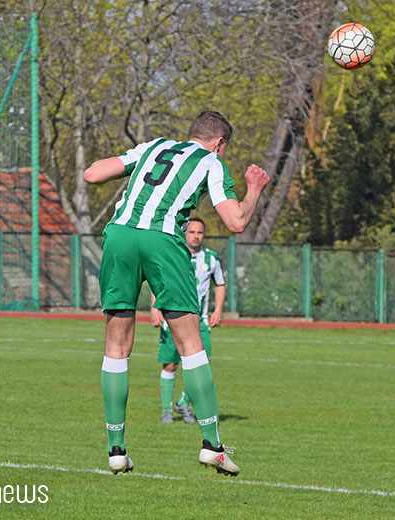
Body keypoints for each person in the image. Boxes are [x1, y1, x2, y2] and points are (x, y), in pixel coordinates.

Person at [83, 110, 269, 477]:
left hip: (119, 234)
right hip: (163, 239)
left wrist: (130, 169)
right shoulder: (211, 163)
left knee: (116, 347)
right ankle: (212, 446)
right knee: (191, 345)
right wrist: (254, 190)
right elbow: (236, 221)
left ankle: (115, 449)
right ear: (219, 143)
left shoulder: (154, 146)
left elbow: (91, 174)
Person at [153, 217, 226, 425]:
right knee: (170, 365)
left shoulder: (211, 259)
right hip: (171, 320)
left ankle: (183, 401)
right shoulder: (172, 255)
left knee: (202, 365)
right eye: (192, 232)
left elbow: (220, 284)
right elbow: (157, 280)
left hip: (199, 321)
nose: (196, 236)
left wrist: (218, 310)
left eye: (200, 232)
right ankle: (166, 410)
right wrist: (154, 308)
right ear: (185, 233)